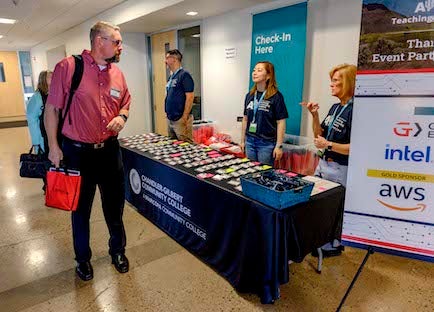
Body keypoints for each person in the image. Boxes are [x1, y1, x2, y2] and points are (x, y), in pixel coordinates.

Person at [44, 21, 131, 281]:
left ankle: (118, 250)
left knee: (114, 207)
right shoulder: (69, 68)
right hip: (78, 153)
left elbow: (126, 101)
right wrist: (53, 146)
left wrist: (123, 117)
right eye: (116, 41)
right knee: (80, 210)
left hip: (109, 151)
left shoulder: (117, 73)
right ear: (98, 41)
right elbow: (52, 109)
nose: (120, 46)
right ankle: (82, 259)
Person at [301, 63, 357, 257]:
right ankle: (321, 238)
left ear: (348, 82)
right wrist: (314, 115)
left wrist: (329, 145)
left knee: (334, 208)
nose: (331, 85)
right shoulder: (335, 107)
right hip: (324, 164)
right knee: (321, 205)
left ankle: (334, 243)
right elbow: (319, 137)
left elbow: (357, 148)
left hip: (340, 168)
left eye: (335, 80)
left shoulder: (356, 110)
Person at [240, 61, 288, 166]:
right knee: (250, 172)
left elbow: (281, 122)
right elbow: (245, 119)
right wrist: (242, 140)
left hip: (266, 144)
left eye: (259, 70)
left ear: (268, 76)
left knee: (263, 175)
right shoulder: (250, 95)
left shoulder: (276, 97)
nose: (255, 73)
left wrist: (279, 146)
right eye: (254, 70)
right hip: (250, 141)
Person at [26, 70, 52, 191]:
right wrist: (36, 143)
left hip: (56, 136)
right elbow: (32, 121)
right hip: (43, 138)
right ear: (43, 80)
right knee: (46, 162)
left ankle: (56, 184)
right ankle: (48, 185)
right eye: (50, 77)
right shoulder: (36, 98)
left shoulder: (55, 94)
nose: (53, 78)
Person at [164, 49, 194, 142]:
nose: (165, 61)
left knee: (185, 146)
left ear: (174, 59)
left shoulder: (184, 75)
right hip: (171, 118)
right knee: (173, 146)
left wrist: (185, 116)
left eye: (167, 58)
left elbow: (190, 97)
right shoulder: (172, 77)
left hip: (180, 119)